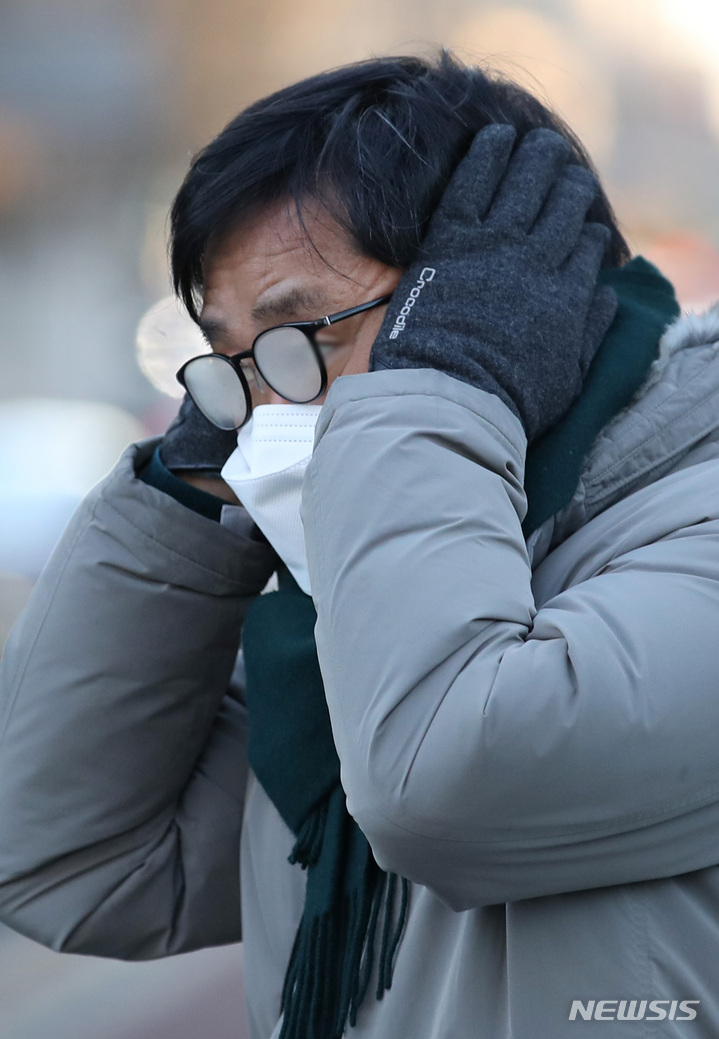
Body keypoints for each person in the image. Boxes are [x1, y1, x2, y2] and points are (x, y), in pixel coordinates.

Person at [2, 50, 719, 1038]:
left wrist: (438, 382)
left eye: (307, 341)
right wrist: (185, 493)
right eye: (233, 361)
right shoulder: (339, 623)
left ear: (511, 313)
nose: (264, 413)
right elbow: (66, 856)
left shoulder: (688, 533)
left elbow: (442, 781)